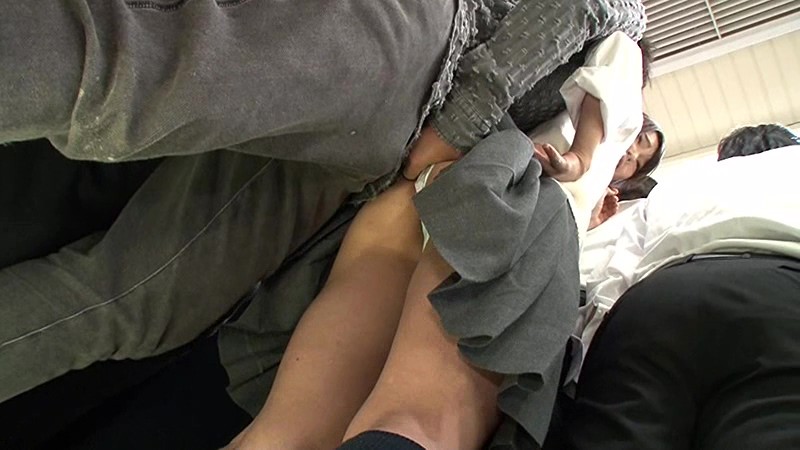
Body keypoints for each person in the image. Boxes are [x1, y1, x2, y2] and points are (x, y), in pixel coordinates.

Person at [0, 0, 649, 405]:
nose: (635, 149)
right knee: (122, 80)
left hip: (375, 159)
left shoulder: (580, 145)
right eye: (641, 139)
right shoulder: (628, 27)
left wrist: (575, 158)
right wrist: (462, 128)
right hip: (418, 47)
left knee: (138, 304)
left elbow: (592, 121)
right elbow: (584, 9)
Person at [559, 124, 800, 449]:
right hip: (779, 295)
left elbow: (618, 269)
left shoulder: (682, 183)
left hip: (658, 301)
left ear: (723, 154)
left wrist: (589, 365)